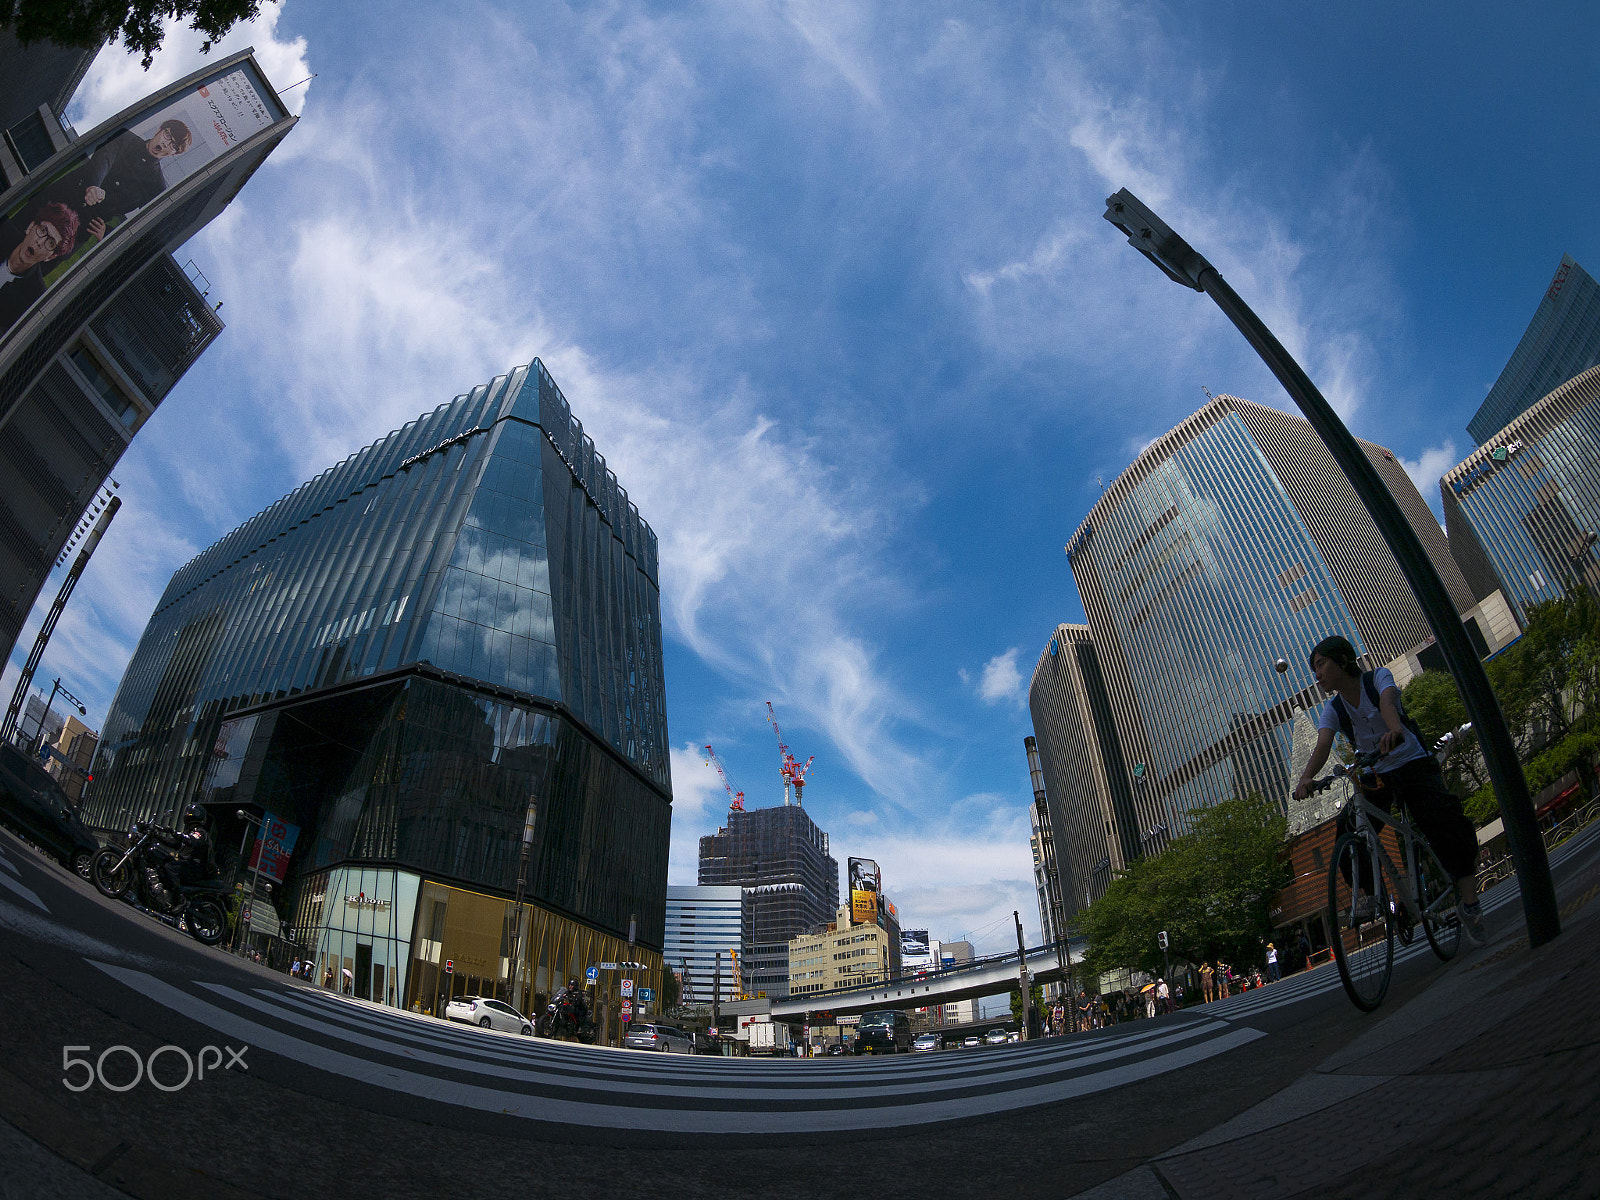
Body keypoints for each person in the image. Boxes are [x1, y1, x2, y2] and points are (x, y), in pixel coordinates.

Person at [1293, 635, 1487, 947]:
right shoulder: (1333, 709)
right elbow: (1323, 744)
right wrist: (1305, 779)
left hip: (1411, 762)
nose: (1317, 675)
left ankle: (1470, 904)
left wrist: (1395, 729)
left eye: (1320, 664)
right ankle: (1371, 895)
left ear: (1342, 660)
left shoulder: (1376, 678)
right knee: (1348, 829)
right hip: (1375, 774)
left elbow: (1388, 700)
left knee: (1443, 821)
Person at [40, 120, 191, 234]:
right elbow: (105, 157)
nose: (166, 144)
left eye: (174, 146)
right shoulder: (124, 137)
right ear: (159, 129)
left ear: (174, 154)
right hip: (62, 195)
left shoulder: (157, 186)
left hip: (81, 227)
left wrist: (107, 232)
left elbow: (145, 225)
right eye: (168, 135)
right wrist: (94, 185)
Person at [0, 200, 84, 333]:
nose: (40, 242)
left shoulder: (34, 301)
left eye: (50, 243)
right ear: (31, 227)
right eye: (42, 230)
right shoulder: (2, 228)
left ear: (50, 257)